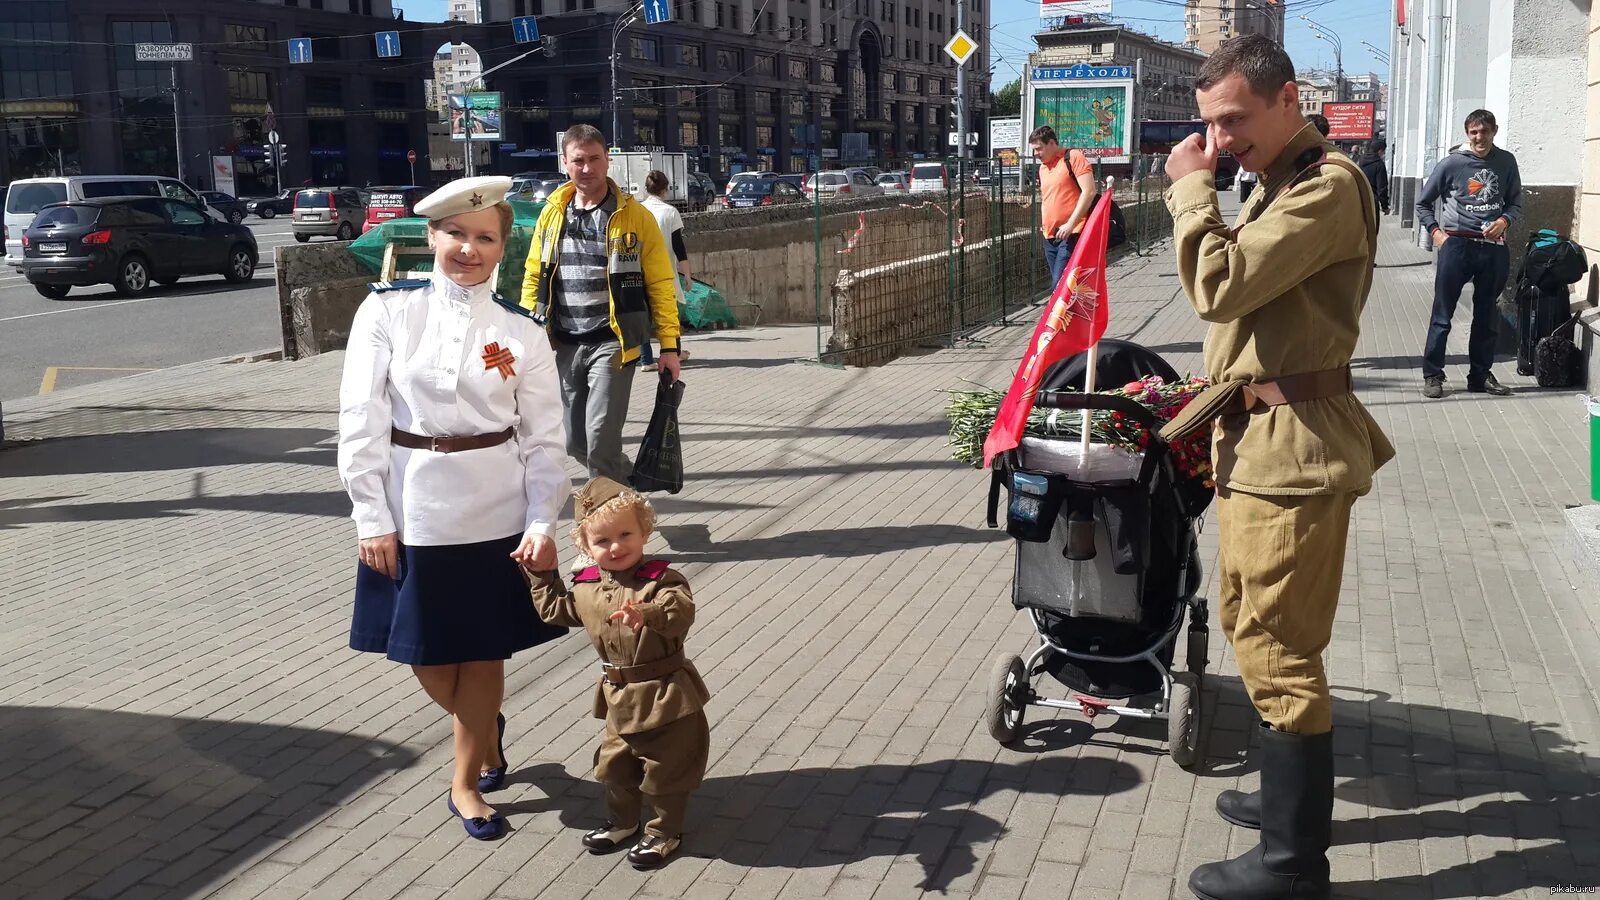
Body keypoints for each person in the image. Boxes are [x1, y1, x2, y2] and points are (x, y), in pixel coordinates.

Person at [1161, 34, 1394, 900]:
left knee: (1279, 644)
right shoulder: (1278, 183)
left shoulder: (1327, 188)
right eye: (1210, 125)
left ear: (1288, 98)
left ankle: (1293, 868)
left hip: (1291, 452)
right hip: (1257, 445)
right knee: (1247, 619)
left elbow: (1218, 287)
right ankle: (1284, 805)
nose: (1220, 138)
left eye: (1234, 119)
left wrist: (1191, 191)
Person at [338, 175, 572, 841]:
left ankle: (465, 784)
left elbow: (545, 438)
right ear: (432, 237)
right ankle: (484, 727)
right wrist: (370, 516)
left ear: (503, 249)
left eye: (485, 237)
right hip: (414, 509)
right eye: (457, 235)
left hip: (495, 511)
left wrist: (540, 521)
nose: (469, 248)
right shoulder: (385, 312)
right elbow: (361, 419)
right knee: (426, 653)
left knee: (484, 652)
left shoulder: (523, 333)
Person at [526, 478, 709, 869]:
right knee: (616, 764)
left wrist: (647, 613)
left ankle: (664, 831)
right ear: (585, 547)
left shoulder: (661, 579)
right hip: (619, 697)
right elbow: (557, 610)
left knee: (666, 768)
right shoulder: (587, 587)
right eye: (602, 540)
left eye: (626, 534)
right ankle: (624, 822)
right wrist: (541, 575)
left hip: (665, 695)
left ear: (645, 531)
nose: (615, 546)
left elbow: (679, 610)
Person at [521, 124, 683, 484]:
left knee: (599, 441)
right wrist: (526, 334)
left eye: (595, 159)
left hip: (612, 343)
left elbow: (659, 282)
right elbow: (534, 274)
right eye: (578, 160)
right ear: (565, 163)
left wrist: (669, 346)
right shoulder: (552, 213)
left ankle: (606, 522)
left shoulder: (634, 217)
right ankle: (632, 484)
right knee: (574, 441)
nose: (587, 168)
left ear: (608, 160)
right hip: (563, 342)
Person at [1417, 109, 1522, 399]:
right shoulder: (1452, 163)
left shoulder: (1506, 162)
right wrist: (1438, 234)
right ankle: (1433, 374)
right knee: (1443, 315)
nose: (1479, 137)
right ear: (1468, 134)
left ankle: (1479, 376)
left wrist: (1504, 221)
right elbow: (1423, 203)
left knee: (1487, 315)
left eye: (1484, 131)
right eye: (1474, 132)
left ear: (1494, 131)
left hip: (1493, 249)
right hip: (1457, 246)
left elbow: (1515, 202)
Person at [1027, 125, 1098, 287]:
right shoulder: (1043, 168)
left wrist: (1071, 224)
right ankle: (1074, 313)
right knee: (1068, 289)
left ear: (1051, 143)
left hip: (1071, 233)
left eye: (1039, 149)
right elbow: (1048, 198)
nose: (1035, 154)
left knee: (1060, 287)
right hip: (1050, 236)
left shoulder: (1072, 157)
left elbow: (1089, 191)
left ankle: (1060, 313)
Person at [638, 170, 694, 372]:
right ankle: (674, 354)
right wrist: (687, 275)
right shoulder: (670, 212)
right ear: (665, 189)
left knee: (644, 317)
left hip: (640, 272)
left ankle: (645, 359)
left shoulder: (637, 210)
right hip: (665, 273)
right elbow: (679, 248)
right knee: (670, 314)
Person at [1358, 139, 1390, 216]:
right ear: (1380, 151)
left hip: (1358, 199)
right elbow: (1382, 188)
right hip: (1372, 201)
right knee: (1372, 226)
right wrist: (1385, 206)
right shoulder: (1379, 164)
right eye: (1383, 151)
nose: (1384, 153)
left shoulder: (1360, 160)